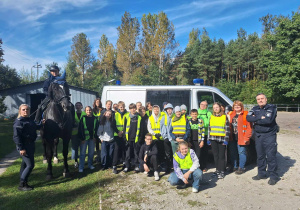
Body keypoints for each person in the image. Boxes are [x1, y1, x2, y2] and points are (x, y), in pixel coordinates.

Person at [246, 93, 279, 185]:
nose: (260, 100)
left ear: (266, 99)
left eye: (262, 98)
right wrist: (261, 117)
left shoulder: (271, 108)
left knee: (271, 156)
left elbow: (268, 120)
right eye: (258, 99)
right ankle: (261, 174)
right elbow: (248, 118)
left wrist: (255, 118)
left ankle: (273, 176)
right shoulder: (254, 108)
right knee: (260, 156)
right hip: (258, 135)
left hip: (269, 135)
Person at [13, 104, 43, 191]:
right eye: (23, 110)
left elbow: (35, 127)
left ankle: (24, 180)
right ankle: (22, 185)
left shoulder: (29, 120)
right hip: (24, 146)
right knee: (30, 165)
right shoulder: (19, 122)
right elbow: (16, 137)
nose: (25, 111)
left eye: (27, 110)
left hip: (31, 145)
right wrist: (21, 148)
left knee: (25, 164)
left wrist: (41, 123)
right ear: (20, 111)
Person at [228, 101, 252, 174]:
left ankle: (241, 167)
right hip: (232, 137)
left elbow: (249, 127)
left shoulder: (246, 114)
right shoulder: (231, 114)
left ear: (241, 106)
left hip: (242, 137)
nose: (237, 107)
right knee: (233, 153)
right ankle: (234, 166)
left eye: (238, 105)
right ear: (233, 107)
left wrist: (246, 138)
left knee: (242, 152)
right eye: (235, 105)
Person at [207, 102, 230, 179]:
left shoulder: (224, 116)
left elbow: (227, 129)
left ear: (220, 107)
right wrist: (208, 139)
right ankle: (217, 170)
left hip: (221, 140)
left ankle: (222, 171)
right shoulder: (211, 116)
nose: (215, 109)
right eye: (214, 108)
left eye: (217, 107)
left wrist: (226, 139)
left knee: (222, 156)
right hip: (213, 139)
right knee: (215, 156)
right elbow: (209, 129)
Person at [78, 106, 99, 172]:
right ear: (85, 111)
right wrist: (82, 138)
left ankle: (90, 165)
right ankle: (81, 167)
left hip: (92, 139)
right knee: (82, 153)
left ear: (91, 111)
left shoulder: (95, 119)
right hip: (84, 139)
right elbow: (80, 129)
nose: (89, 111)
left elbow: (97, 129)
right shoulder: (83, 118)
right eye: (87, 110)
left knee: (91, 153)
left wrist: (95, 137)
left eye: (90, 110)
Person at [123, 103, 141, 172]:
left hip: (135, 138)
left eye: (134, 108)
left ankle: (136, 166)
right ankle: (127, 166)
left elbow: (139, 128)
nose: (133, 109)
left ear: (136, 109)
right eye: (131, 108)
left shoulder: (138, 117)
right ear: (129, 109)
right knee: (128, 153)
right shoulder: (127, 117)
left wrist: (138, 138)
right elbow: (125, 128)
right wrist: (125, 138)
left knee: (136, 153)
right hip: (128, 138)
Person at [112, 101, 129, 174]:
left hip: (125, 135)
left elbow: (128, 125)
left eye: (123, 107)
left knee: (124, 150)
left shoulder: (128, 114)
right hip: (117, 135)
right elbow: (113, 125)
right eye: (120, 107)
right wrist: (118, 132)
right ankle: (114, 166)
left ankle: (124, 163)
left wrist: (123, 132)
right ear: (118, 107)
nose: (122, 108)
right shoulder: (115, 114)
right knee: (116, 150)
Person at [147, 105, 165, 169]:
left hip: (161, 137)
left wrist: (160, 133)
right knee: (155, 152)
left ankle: (161, 165)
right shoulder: (150, 118)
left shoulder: (162, 117)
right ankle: (154, 165)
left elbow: (164, 126)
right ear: (152, 110)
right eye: (154, 109)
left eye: (157, 109)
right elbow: (149, 128)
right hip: (154, 138)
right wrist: (154, 134)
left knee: (161, 152)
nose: (156, 110)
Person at [197, 100, 212, 172]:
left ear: (207, 106)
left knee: (204, 152)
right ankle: (197, 166)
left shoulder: (208, 113)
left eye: (205, 105)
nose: (203, 106)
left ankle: (204, 166)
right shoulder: (196, 112)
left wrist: (202, 123)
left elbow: (208, 123)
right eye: (201, 104)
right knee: (198, 151)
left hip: (205, 135)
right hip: (197, 135)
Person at [71, 102, 86, 168]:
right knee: (75, 148)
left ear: (81, 106)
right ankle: (76, 161)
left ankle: (82, 161)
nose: (78, 106)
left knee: (82, 148)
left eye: (79, 105)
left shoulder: (84, 114)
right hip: (74, 134)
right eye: (76, 105)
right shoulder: (72, 114)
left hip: (82, 133)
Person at [161, 103, 174, 173]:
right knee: (167, 153)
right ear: (166, 110)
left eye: (170, 109)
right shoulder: (164, 117)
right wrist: (164, 136)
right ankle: (168, 167)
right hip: (166, 138)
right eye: (168, 109)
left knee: (174, 153)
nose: (169, 110)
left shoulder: (174, 116)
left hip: (173, 138)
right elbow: (162, 127)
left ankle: (174, 167)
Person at [93, 98, 103, 162]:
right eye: (96, 102)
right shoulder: (93, 110)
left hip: (101, 127)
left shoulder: (103, 109)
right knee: (96, 142)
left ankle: (102, 155)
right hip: (95, 127)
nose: (98, 103)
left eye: (99, 102)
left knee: (102, 142)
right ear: (95, 103)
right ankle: (98, 156)